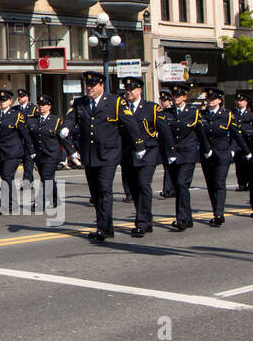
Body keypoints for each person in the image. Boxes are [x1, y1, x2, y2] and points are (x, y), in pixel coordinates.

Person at [59, 72, 142, 243]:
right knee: (95, 192)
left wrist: (139, 145)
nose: (89, 88)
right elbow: (71, 118)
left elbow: (130, 123)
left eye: (93, 85)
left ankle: (104, 228)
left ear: (101, 86)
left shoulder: (114, 102)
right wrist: (66, 128)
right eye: (87, 85)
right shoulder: (81, 102)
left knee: (104, 189)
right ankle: (104, 226)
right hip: (89, 154)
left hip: (108, 154)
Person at [196, 88, 249, 227]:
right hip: (206, 154)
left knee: (219, 183)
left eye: (213, 99)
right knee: (210, 184)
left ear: (219, 100)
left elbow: (236, 135)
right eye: (208, 99)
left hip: (222, 153)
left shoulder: (227, 115)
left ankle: (219, 214)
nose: (210, 101)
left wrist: (235, 151)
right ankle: (215, 210)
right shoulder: (201, 115)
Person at [121, 77, 165, 237]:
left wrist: (170, 151)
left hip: (148, 150)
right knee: (133, 187)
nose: (128, 92)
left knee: (143, 183)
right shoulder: (122, 107)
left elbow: (163, 130)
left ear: (140, 90)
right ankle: (146, 217)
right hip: (128, 152)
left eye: (132, 89)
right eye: (126, 89)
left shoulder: (151, 108)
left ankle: (142, 222)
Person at [161, 85, 202, 230]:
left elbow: (200, 132)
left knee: (181, 184)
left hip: (188, 153)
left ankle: (182, 219)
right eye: (173, 95)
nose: (175, 98)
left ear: (184, 97)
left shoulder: (192, 112)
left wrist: (206, 149)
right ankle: (188, 218)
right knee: (178, 188)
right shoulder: (167, 113)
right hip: (172, 154)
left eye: (178, 95)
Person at [0, 89, 30, 214]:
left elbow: (25, 134)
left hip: (14, 152)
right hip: (0, 152)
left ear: (10, 101)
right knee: (7, 177)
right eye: (0, 100)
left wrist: (31, 151)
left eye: (5, 100)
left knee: (6, 176)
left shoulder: (16, 115)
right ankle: (13, 203)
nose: (2, 102)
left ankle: (4, 204)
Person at [27, 95, 64, 212]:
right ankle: (55, 199)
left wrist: (72, 153)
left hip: (52, 154)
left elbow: (64, 138)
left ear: (49, 106)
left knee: (46, 177)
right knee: (46, 177)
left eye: (43, 105)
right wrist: (32, 152)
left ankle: (40, 202)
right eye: (40, 105)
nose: (41, 107)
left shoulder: (56, 120)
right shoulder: (35, 120)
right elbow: (31, 137)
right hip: (40, 154)